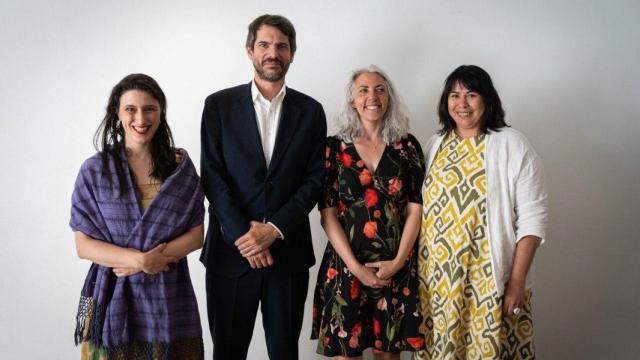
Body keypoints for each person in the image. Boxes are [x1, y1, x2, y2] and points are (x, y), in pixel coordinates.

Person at [200, 14, 327, 360]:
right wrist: (246, 236)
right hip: (231, 253)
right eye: (265, 44)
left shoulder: (312, 111)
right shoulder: (218, 106)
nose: (273, 52)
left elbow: (315, 180)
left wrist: (273, 229)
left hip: (287, 255)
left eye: (282, 46)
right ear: (249, 50)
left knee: (285, 353)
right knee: (227, 352)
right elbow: (212, 176)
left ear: (292, 54)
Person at [415, 65, 548, 359]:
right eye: (454, 95)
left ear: (487, 99)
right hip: (438, 284)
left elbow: (533, 219)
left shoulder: (512, 144)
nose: (461, 104)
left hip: (489, 281)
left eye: (471, 94)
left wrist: (516, 282)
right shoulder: (435, 144)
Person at [70, 73, 205, 359]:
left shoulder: (179, 169)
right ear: (117, 113)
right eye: (131, 109)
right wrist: (141, 261)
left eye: (149, 109)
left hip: (168, 295)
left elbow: (196, 235)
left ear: (161, 112)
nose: (140, 118)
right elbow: (83, 245)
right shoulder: (95, 170)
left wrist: (153, 259)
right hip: (109, 297)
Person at [311, 66, 427, 359]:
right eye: (363, 90)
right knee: (345, 355)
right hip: (346, 267)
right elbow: (328, 215)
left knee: (387, 355)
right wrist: (356, 268)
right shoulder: (333, 148)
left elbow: (416, 209)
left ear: (389, 98)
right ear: (352, 100)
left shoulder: (407, 146)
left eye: (380, 89)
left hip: (395, 269)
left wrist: (398, 261)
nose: (372, 96)